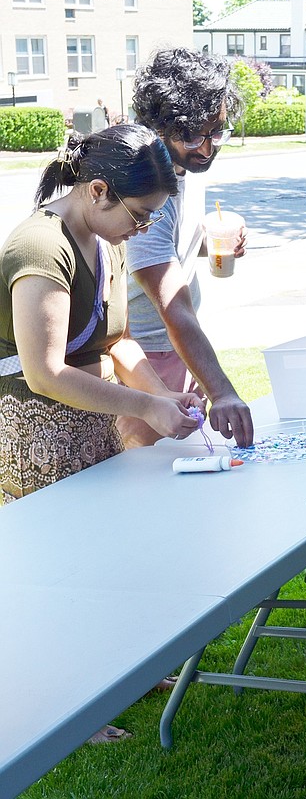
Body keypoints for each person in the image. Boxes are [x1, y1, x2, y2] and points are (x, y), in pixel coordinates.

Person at [0, 125, 205, 740]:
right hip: (34, 425)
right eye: (139, 216)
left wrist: (162, 395)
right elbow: (45, 372)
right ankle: (68, 703)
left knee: (103, 553)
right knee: (60, 567)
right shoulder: (40, 247)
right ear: (97, 190)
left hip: (84, 418)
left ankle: (116, 672)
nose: (142, 230)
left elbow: (116, 339)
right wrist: (146, 408)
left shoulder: (102, 235)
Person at [115, 48, 254, 449]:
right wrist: (223, 392)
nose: (208, 149)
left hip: (178, 351)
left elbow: (158, 254)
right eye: (193, 136)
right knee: (146, 482)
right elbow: (173, 308)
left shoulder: (181, 166)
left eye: (217, 132)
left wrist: (209, 241)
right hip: (143, 361)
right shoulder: (147, 192)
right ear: (160, 126)